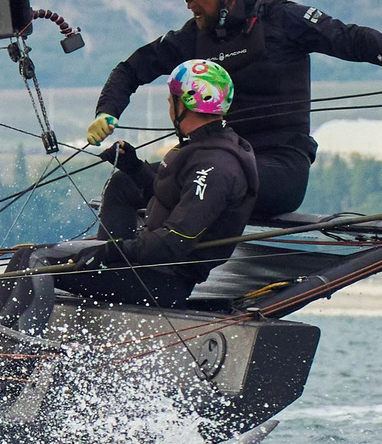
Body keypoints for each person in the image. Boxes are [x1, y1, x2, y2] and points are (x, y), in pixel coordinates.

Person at [85, 0, 382, 225]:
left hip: (279, 168)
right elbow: (130, 70)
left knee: (205, 176)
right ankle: (108, 270)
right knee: (124, 184)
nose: (191, 4)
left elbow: (349, 38)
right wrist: (107, 111)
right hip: (212, 163)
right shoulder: (193, 36)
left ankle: (161, 267)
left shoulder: (280, 19)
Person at [65, 59, 259, 309]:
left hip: (159, 283)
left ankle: (25, 333)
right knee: (122, 183)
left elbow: (174, 241)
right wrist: (134, 168)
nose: (169, 105)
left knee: (33, 261)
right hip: (145, 271)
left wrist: (110, 252)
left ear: (185, 104)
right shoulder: (201, 147)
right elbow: (168, 197)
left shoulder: (216, 166)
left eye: (171, 101)